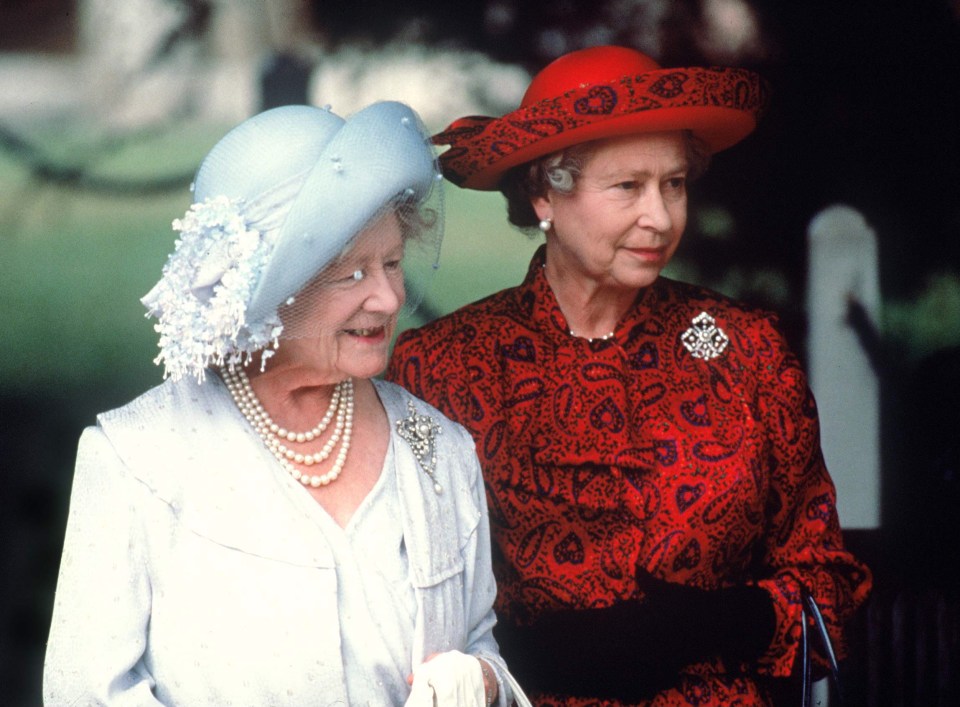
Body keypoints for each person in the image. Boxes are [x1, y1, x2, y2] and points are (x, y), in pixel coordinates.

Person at [387, 45, 872, 706]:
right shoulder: (443, 366)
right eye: (628, 187)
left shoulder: (748, 353)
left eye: (674, 183)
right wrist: (514, 657)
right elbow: (395, 595)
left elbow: (830, 593)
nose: (661, 216)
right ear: (542, 194)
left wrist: (723, 621)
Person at [43, 101, 529, 707]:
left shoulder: (439, 448)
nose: (387, 297)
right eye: (352, 274)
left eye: (393, 263)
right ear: (268, 292)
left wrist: (481, 680)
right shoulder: (136, 459)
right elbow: (86, 693)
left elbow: (479, 641)